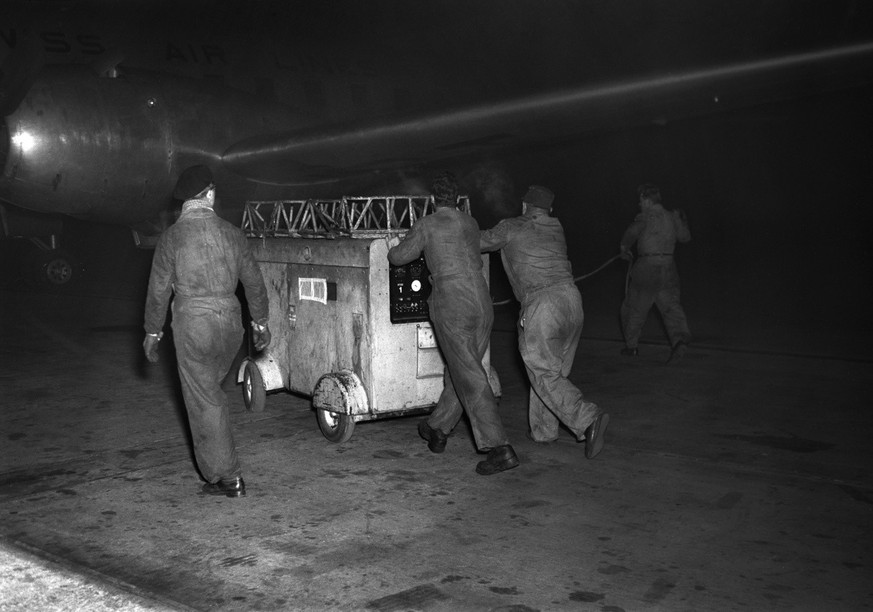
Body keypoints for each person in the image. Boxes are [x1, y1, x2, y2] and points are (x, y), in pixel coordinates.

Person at [142, 165, 271, 498]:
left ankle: (228, 476)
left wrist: (152, 332)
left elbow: (158, 290)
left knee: (205, 400)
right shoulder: (232, 233)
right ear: (210, 194)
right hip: (231, 323)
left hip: (194, 325)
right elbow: (254, 281)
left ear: (184, 201)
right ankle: (220, 466)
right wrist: (260, 321)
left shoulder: (171, 238)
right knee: (209, 392)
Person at [387, 171, 518, 475]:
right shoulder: (470, 222)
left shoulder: (427, 224)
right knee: (462, 369)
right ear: (457, 199)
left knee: (470, 376)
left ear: (434, 200)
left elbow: (399, 258)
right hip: (482, 301)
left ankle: (500, 448)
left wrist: (395, 242)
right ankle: (437, 428)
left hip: (453, 302)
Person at [480, 185, 609, 458]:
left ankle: (587, 418)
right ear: (550, 210)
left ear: (525, 206)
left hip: (544, 304)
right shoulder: (556, 226)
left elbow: (479, 242)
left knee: (543, 371)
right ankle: (544, 431)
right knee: (552, 372)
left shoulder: (513, 226)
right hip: (572, 301)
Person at [619, 182, 691, 362]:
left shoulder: (645, 216)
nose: (639, 204)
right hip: (668, 267)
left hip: (647, 267)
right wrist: (682, 219)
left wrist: (624, 248)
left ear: (646, 199)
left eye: (640, 200)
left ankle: (632, 346)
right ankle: (680, 342)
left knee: (634, 308)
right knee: (671, 308)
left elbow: (631, 232)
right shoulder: (672, 216)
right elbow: (685, 237)